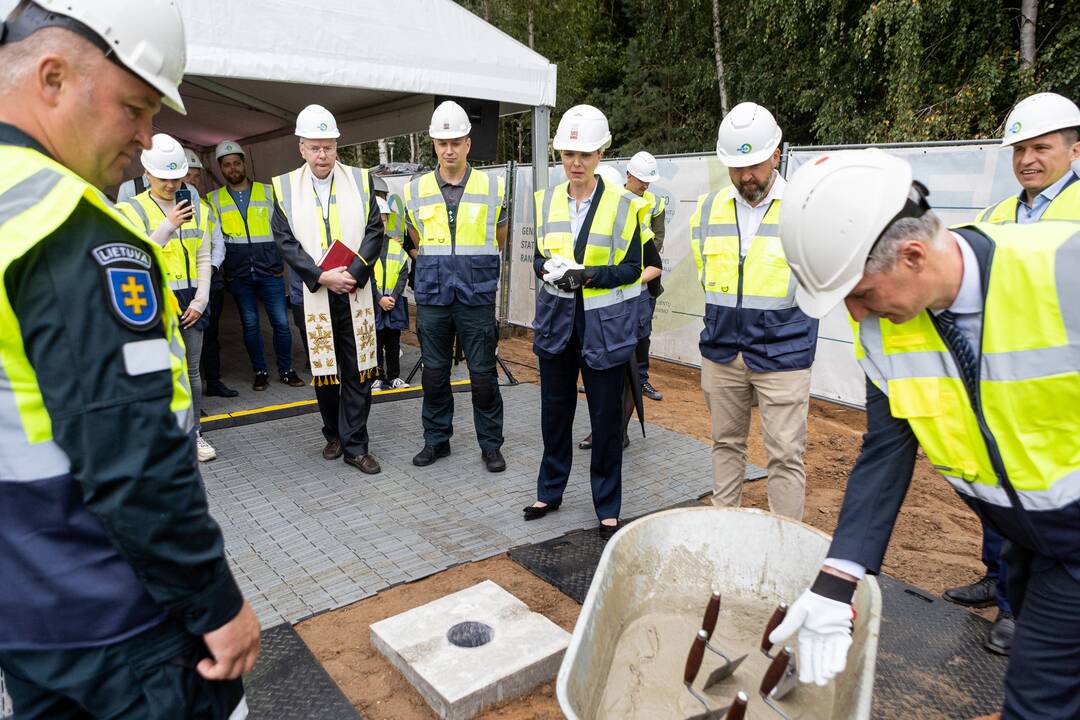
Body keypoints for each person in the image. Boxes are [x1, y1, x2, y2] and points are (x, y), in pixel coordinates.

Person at [0, 1, 259, 717]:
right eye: (136, 108)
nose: (148, 139)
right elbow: (131, 457)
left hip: (28, 618)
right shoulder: (64, 228)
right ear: (52, 78)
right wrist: (215, 602)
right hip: (124, 628)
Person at [769, 147, 1080, 719]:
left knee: (1037, 701)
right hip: (1025, 540)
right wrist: (838, 581)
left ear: (912, 254)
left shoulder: (1064, 268)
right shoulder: (887, 334)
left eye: (860, 295)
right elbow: (886, 451)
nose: (857, 317)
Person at [940, 91, 1080, 655]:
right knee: (1001, 486)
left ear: (1073, 149)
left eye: (1040, 147)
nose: (1027, 159)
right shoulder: (997, 215)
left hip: (1062, 387)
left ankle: (1022, 612)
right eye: (1019, 149)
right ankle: (997, 580)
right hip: (1002, 383)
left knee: (1051, 497)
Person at [524, 105, 649, 537]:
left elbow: (633, 268)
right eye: (568, 154)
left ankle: (607, 505)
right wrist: (545, 270)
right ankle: (550, 490)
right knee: (554, 412)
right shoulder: (545, 201)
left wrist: (590, 275)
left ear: (600, 155)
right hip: (557, 321)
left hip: (603, 325)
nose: (575, 163)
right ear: (560, 154)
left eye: (585, 155)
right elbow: (538, 257)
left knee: (605, 420)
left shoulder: (624, 205)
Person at [689, 102, 818, 520]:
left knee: (784, 456)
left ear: (777, 153)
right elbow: (707, 275)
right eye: (736, 167)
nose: (747, 176)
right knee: (725, 445)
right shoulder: (708, 210)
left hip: (784, 353)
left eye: (756, 165)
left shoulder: (805, 206)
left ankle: (784, 545)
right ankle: (725, 532)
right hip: (723, 350)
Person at [271, 104, 382, 475]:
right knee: (325, 371)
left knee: (358, 369)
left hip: (354, 290)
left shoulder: (360, 179)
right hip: (315, 294)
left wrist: (351, 274)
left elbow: (374, 232)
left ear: (337, 146)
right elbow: (285, 242)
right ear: (301, 147)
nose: (323, 155)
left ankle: (355, 445)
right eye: (315, 148)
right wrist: (321, 276)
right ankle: (333, 433)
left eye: (329, 147)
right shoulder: (285, 186)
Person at [404, 100, 508, 473]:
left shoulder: (492, 187)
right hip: (433, 295)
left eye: (456, 142)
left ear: (468, 142)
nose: (449, 150)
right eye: (441, 142)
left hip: (476, 295)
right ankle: (436, 441)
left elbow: (499, 236)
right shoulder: (414, 191)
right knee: (434, 375)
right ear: (433, 144)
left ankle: (491, 445)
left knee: (482, 377)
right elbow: (413, 236)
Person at [116, 133, 218, 463]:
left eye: (176, 178)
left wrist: (201, 301)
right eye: (164, 179)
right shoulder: (128, 210)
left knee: (191, 372)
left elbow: (204, 257)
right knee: (154, 372)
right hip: (150, 301)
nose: (172, 186)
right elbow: (130, 258)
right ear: (146, 173)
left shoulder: (199, 209)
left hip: (190, 300)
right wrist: (167, 226)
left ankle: (194, 433)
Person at [578, 162, 663, 451]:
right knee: (601, 371)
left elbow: (655, 266)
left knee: (631, 373)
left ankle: (619, 432)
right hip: (602, 313)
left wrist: (626, 281)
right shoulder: (587, 226)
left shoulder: (636, 226)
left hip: (634, 309)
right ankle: (604, 430)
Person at [210, 139, 305, 393]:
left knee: (281, 324)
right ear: (221, 169)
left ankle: (286, 370)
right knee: (250, 325)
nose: (232, 169)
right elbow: (213, 238)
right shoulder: (213, 199)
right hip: (239, 274)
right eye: (227, 165)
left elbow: (286, 228)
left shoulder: (268, 192)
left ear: (244, 163)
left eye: (236, 163)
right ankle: (260, 371)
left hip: (270, 270)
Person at [626, 150, 667, 401]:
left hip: (646, 276)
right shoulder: (611, 199)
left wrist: (641, 268)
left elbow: (658, 237)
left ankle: (641, 380)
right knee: (611, 331)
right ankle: (605, 377)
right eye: (641, 179)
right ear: (628, 174)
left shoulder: (655, 202)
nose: (645, 184)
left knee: (642, 333)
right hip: (617, 277)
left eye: (648, 180)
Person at [371, 196, 410, 390]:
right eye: (378, 219)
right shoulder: (365, 248)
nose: (382, 223)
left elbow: (403, 274)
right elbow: (364, 277)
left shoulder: (396, 247)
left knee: (393, 343)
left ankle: (394, 377)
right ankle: (377, 378)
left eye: (385, 219)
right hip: (374, 304)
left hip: (393, 304)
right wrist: (379, 299)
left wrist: (392, 298)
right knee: (375, 343)